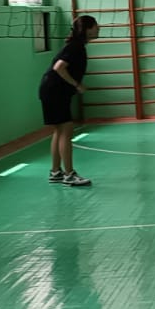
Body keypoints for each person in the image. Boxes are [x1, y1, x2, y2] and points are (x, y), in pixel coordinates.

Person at [39, 15, 98, 186]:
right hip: (54, 91)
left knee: (59, 131)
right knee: (66, 130)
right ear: (87, 29)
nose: (98, 28)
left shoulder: (77, 46)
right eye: (95, 26)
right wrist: (77, 84)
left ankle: (56, 172)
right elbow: (59, 67)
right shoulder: (75, 47)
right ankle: (69, 174)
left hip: (51, 90)